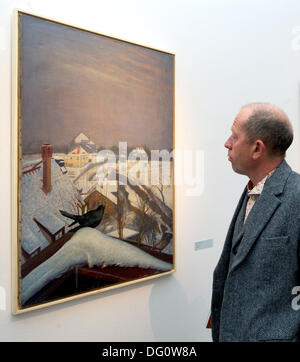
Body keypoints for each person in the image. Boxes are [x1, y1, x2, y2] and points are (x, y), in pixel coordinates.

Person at [211, 102, 300, 342]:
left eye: (234, 136)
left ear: (257, 149)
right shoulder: (252, 190)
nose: (227, 143)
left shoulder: (297, 196)